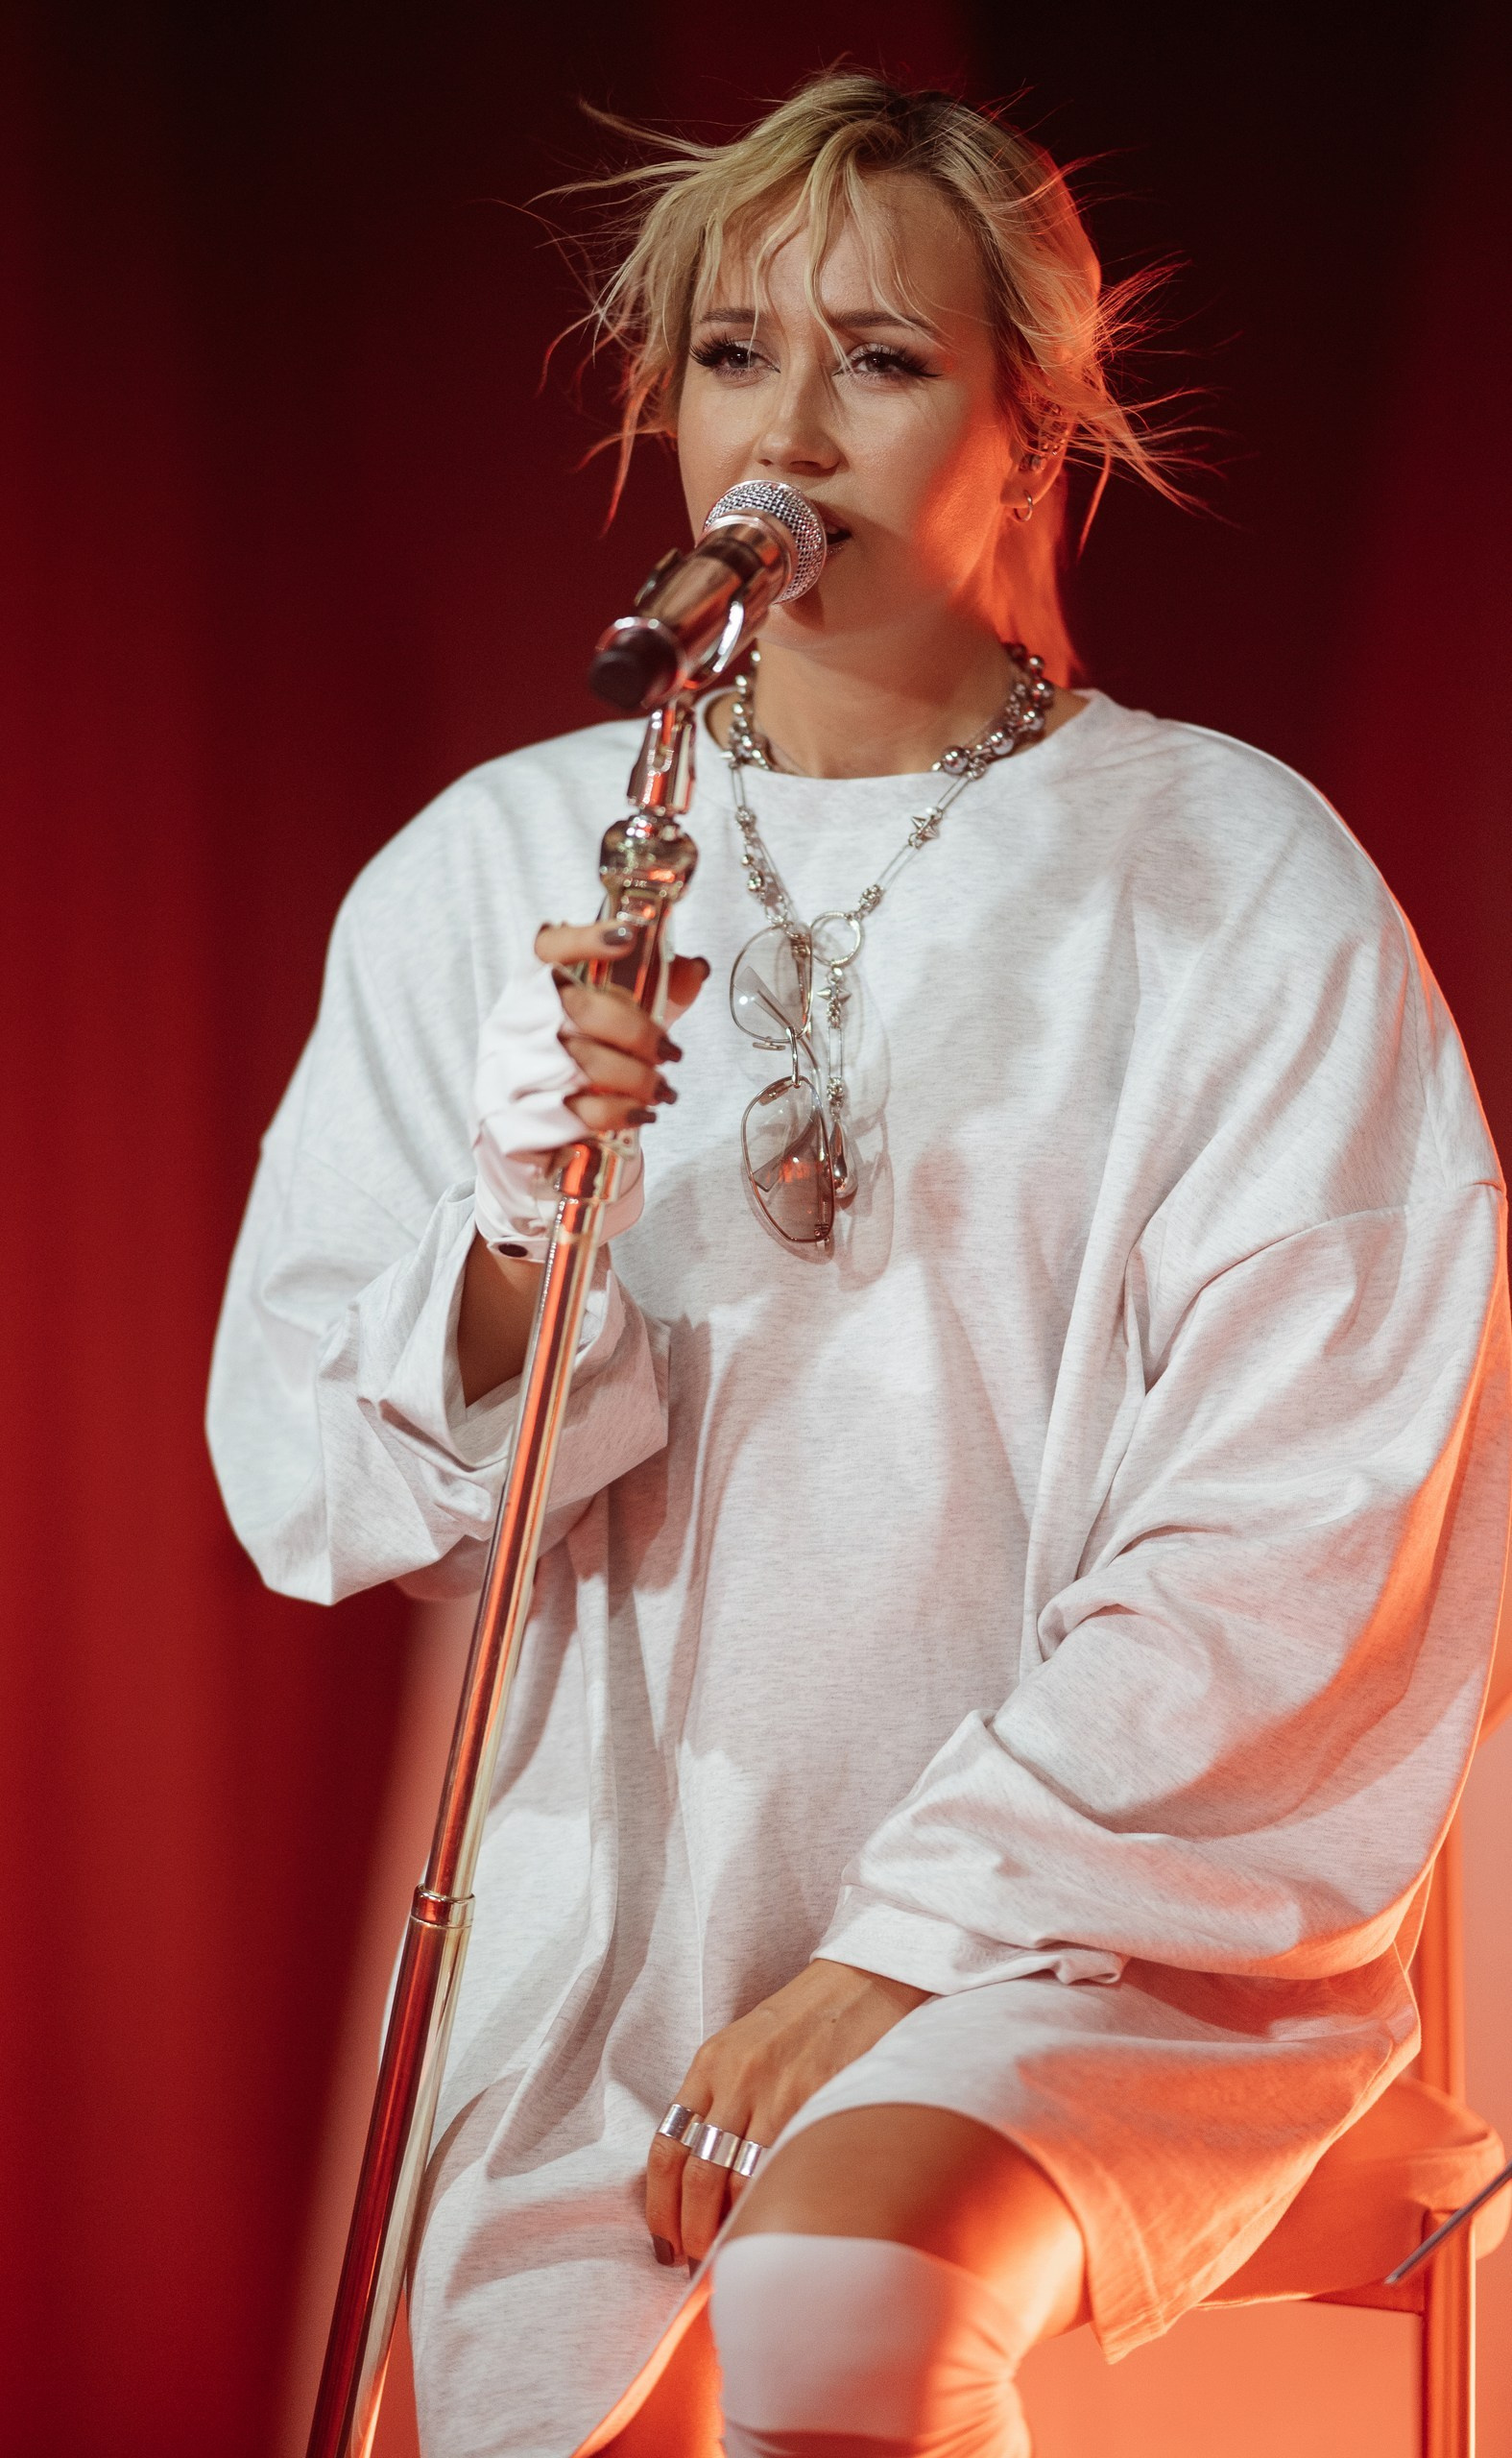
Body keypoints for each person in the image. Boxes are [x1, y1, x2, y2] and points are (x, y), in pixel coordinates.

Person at [206, 73, 1510, 2458]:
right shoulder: (498, 863)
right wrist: (519, 1227)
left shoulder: (1235, 873)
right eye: (734, 354)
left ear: (1038, 425)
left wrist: (904, 1944)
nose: (786, 432)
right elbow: (323, 1487)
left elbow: (1306, 1508)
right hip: (619, 1923)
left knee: (835, 2304)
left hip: (1100, 1905)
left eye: (882, 360)